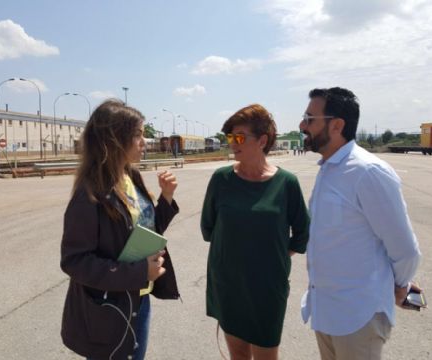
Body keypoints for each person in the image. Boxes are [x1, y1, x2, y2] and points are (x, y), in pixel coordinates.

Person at [298, 87, 422, 360]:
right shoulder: (329, 169)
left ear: (337, 125)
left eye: (310, 118)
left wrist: (401, 286)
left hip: (358, 316)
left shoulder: (367, 172)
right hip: (326, 311)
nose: (302, 125)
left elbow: (405, 248)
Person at [60, 99, 180, 360]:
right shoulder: (89, 194)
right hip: (109, 308)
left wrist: (166, 199)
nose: (144, 141)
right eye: (137, 135)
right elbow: (75, 261)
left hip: (138, 298)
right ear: (114, 139)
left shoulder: (130, 177)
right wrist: (139, 272)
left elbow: (145, 232)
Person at [201, 104, 310, 360]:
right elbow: (208, 228)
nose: (232, 143)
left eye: (239, 137)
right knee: (238, 354)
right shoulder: (221, 179)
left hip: (267, 288)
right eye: (230, 137)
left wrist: (274, 258)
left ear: (262, 140)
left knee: (266, 354)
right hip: (228, 284)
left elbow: (303, 233)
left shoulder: (287, 183)